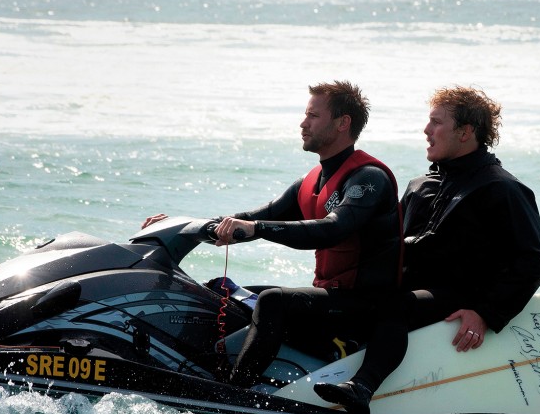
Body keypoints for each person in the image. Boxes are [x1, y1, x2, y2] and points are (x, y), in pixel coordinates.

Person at [143, 81, 404, 389]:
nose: (302, 123)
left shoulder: (368, 179)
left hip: (368, 307)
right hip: (333, 298)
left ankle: (236, 392)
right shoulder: (311, 182)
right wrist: (180, 224)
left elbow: (333, 229)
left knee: (271, 302)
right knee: (225, 296)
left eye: (313, 116)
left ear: (342, 123)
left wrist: (260, 230)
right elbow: (251, 218)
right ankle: (198, 369)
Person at [314, 86, 540, 414]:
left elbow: (533, 262)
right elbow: (388, 248)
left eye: (436, 123)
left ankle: (362, 386)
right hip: (406, 294)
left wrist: (485, 313)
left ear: (466, 132)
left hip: (457, 300)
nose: (426, 131)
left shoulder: (502, 189)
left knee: (395, 304)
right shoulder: (419, 186)